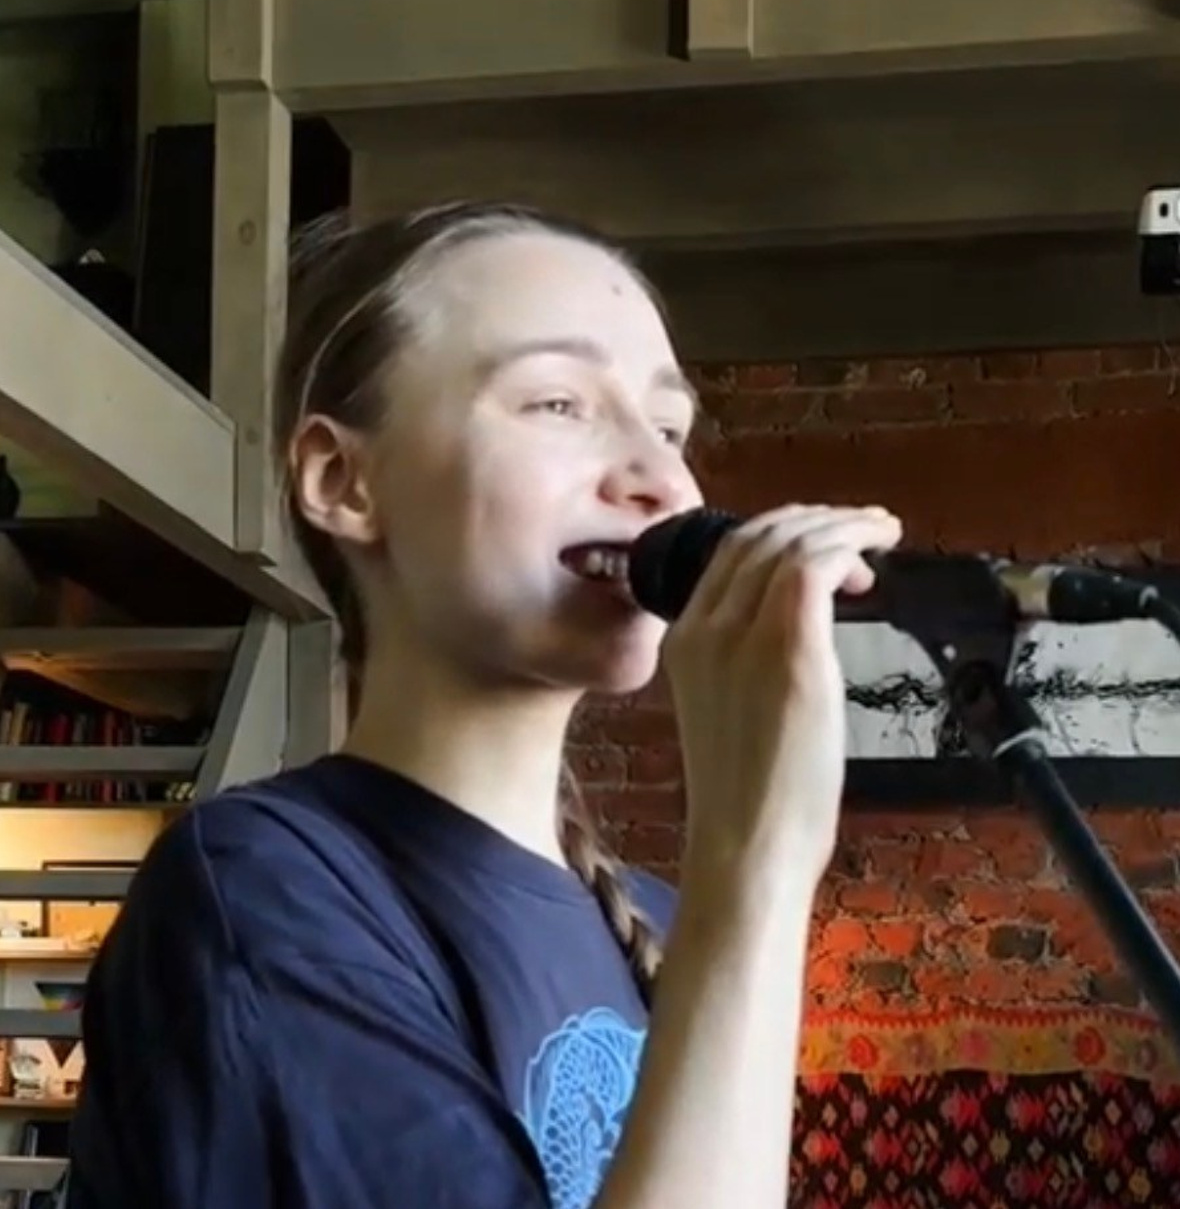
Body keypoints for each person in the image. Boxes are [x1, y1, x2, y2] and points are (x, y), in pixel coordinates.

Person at [63, 202, 902, 1209]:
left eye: (669, 426)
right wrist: (758, 859)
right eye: (557, 403)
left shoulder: (666, 920)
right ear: (342, 479)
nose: (662, 481)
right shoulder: (256, 894)